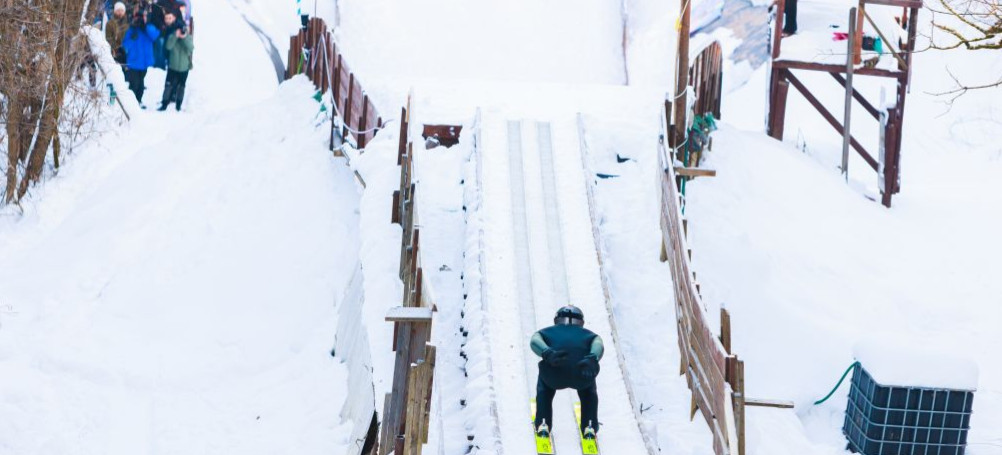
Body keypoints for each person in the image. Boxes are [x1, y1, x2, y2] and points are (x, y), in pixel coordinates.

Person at [530, 305, 604, 440]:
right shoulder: (590, 335)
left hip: (554, 374)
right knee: (589, 391)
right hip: (581, 375)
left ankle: (543, 423)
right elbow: (598, 345)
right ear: (581, 322)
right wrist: (592, 358)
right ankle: (589, 426)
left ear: (557, 319)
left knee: (544, 387)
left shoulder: (546, 332)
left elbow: (534, 341)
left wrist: (547, 352)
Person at [121, 7, 160, 107]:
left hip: (144, 62)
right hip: (133, 61)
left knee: (141, 83)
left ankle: (138, 100)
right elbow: (125, 45)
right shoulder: (131, 29)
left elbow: (155, 36)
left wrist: (145, 26)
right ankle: (131, 102)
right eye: (138, 17)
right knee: (134, 83)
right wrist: (132, 38)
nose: (139, 19)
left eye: (141, 17)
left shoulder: (148, 28)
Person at [159, 23, 193, 111]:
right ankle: (164, 104)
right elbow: (168, 46)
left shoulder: (188, 37)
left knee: (181, 87)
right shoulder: (172, 36)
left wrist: (184, 37)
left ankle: (178, 105)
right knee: (168, 86)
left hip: (184, 68)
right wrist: (175, 36)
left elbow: (191, 48)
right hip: (172, 66)